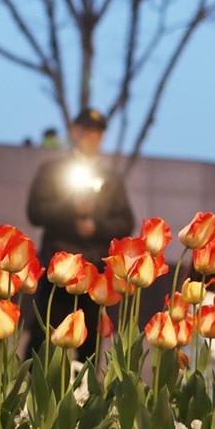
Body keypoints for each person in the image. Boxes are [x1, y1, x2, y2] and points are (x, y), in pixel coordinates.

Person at [26, 108, 134, 361]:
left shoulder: (110, 178)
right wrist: (70, 210)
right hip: (59, 268)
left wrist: (96, 227)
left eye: (98, 133)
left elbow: (125, 221)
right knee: (45, 337)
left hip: (93, 270)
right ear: (75, 132)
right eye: (87, 132)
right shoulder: (53, 170)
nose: (92, 138)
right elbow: (36, 211)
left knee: (91, 344)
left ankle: (86, 395)